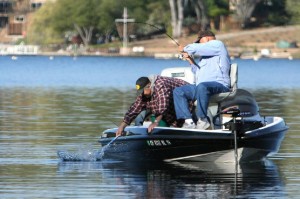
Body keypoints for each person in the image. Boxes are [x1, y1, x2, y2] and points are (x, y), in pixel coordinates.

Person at [173, 30, 231, 129]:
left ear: (207, 38)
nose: (199, 43)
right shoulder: (203, 58)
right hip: (202, 87)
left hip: (220, 85)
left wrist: (185, 48)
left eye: (200, 41)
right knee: (178, 91)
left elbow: (199, 48)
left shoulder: (218, 45)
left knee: (202, 86)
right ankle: (188, 121)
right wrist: (190, 60)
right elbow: (197, 72)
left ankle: (203, 119)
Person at [116, 75, 189, 136]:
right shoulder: (144, 93)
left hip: (186, 98)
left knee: (168, 124)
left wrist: (156, 122)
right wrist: (122, 126)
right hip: (167, 105)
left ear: (149, 86)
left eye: (143, 91)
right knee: (139, 114)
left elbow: (163, 106)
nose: (142, 94)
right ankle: (140, 135)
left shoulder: (161, 85)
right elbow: (134, 109)